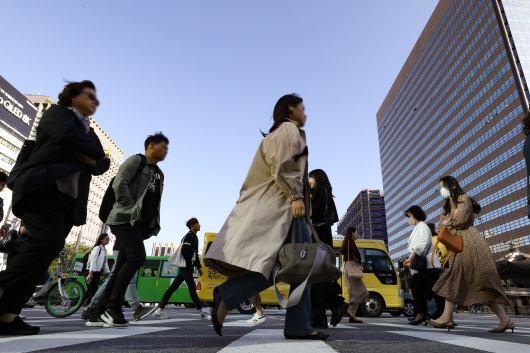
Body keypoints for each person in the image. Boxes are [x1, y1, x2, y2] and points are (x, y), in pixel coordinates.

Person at [204, 94, 328, 340]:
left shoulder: (280, 134)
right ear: (291, 109)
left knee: (290, 266)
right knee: (297, 266)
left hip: (281, 208)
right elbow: (283, 165)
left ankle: (294, 324)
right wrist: (296, 197)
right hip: (285, 209)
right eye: (303, 108)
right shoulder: (288, 131)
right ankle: (231, 296)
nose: (306, 113)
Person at [0, 80, 110, 336]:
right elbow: (66, 137)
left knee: (42, 256)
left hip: (68, 202)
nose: (95, 101)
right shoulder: (56, 113)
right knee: (47, 244)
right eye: (89, 96)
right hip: (42, 189)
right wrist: (89, 156)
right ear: (73, 97)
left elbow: (102, 163)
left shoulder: (88, 130)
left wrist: (86, 155)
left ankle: (7, 315)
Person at [87, 132, 168, 328]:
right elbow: (119, 182)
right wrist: (129, 205)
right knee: (137, 257)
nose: (166, 150)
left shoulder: (159, 173)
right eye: (163, 146)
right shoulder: (137, 161)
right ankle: (112, 308)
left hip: (138, 226)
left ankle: (96, 313)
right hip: (124, 219)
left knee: (120, 267)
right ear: (151, 145)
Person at [427, 176, 514, 333]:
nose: (441, 190)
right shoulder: (446, 207)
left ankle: (447, 317)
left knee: (465, 278)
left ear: (452, 186)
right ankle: (504, 319)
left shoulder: (464, 199)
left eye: (442, 186)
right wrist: (448, 222)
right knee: (471, 281)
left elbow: (460, 221)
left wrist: (448, 222)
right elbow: (440, 227)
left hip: (470, 243)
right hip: (456, 244)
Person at [82, 237, 156, 322]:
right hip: (126, 247)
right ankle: (136, 308)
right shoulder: (98, 248)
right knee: (129, 278)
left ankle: (91, 308)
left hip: (126, 247)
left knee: (113, 279)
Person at [308, 169, 348, 328]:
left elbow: (314, 214)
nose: (309, 181)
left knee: (315, 278)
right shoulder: (326, 193)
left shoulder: (321, 192)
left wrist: (309, 199)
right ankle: (319, 319)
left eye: (310, 178)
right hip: (322, 239)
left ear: (317, 178)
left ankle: (336, 304)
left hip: (318, 239)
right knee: (314, 279)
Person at [154, 218, 211, 320]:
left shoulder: (195, 237)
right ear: (192, 226)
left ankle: (159, 310)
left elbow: (195, 253)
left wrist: (199, 267)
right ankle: (202, 310)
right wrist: (189, 264)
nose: (200, 225)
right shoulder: (189, 236)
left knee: (172, 288)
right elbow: (185, 251)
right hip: (186, 266)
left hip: (186, 266)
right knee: (192, 288)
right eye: (198, 224)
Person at [403, 206, 444, 325]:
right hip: (422, 265)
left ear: (415, 215)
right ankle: (422, 314)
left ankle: (441, 315)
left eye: (409, 216)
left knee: (434, 290)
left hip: (428, 264)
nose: (408, 219)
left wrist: (412, 258)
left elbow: (423, 243)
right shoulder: (418, 227)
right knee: (417, 287)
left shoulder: (422, 226)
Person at [341, 227, 369, 324]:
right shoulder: (350, 242)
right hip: (351, 267)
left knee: (355, 292)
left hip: (348, 268)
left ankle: (352, 315)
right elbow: (357, 254)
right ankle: (348, 309)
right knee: (363, 291)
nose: (357, 234)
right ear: (352, 233)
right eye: (356, 233)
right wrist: (359, 263)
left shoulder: (346, 242)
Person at [85, 233, 110, 305]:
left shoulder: (105, 250)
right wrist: (91, 273)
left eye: (108, 239)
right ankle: (90, 307)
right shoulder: (97, 248)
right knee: (93, 291)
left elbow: (105, 264)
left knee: (92, 290)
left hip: (97, 272)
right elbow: (93, 260)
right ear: (101, 240)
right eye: (106, 239)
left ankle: (78, 302)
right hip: (91, 271)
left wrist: (108, 272)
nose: (108, 240)